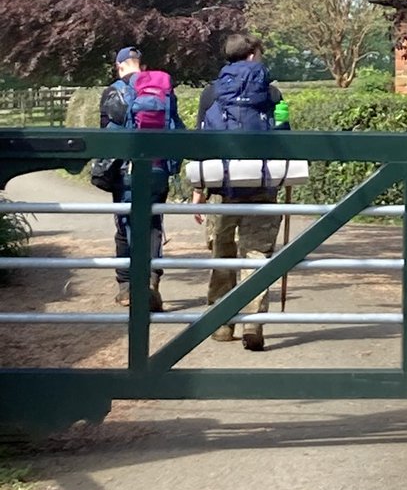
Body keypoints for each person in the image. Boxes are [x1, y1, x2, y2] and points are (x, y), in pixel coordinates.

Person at [192, 33, 285, 352]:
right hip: (262, 186)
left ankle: (221, 323)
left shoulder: (211, 93)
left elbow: (201, 143)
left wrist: (197, 189)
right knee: (257, 254)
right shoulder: (271, 92)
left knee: (223, 252)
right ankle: (253, 324)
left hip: (222, 187)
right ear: (251, 55)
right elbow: (284, 135)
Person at [99, 46, 182, 312]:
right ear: (140, 65)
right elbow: (176, 127)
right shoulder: (165, 90)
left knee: (127, 224)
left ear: (120, 66)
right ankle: (152, 281)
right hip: (159, 168)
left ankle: (130, 287)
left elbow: (106, 135)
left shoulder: (114, 91)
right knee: (153, 224)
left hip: (128, 171)